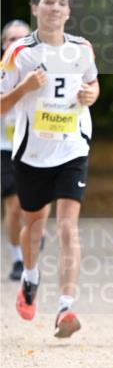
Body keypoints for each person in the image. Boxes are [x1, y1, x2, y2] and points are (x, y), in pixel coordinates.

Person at [0, 0, 99, 336]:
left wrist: (92, 95)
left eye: (61, 2)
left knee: (68, 227)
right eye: (48, 1)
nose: (55, 7)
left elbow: (92, 82)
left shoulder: (82, 48)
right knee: (35, 225)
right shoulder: (18, 53)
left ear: (68, 11)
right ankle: (30, 276)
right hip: (32, 153)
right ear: (34, 8)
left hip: (73, 148)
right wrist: (24, 88)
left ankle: (65, 308)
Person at [1, 19, 31, 279]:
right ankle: (17, 259)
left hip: (35, 146)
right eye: (11, 39)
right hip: (5, 149)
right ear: (3, 45)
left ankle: (35, 236)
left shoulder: (42, 69)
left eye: (22, 38)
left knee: (33, 207)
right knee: (13, 206)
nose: (16, 43)